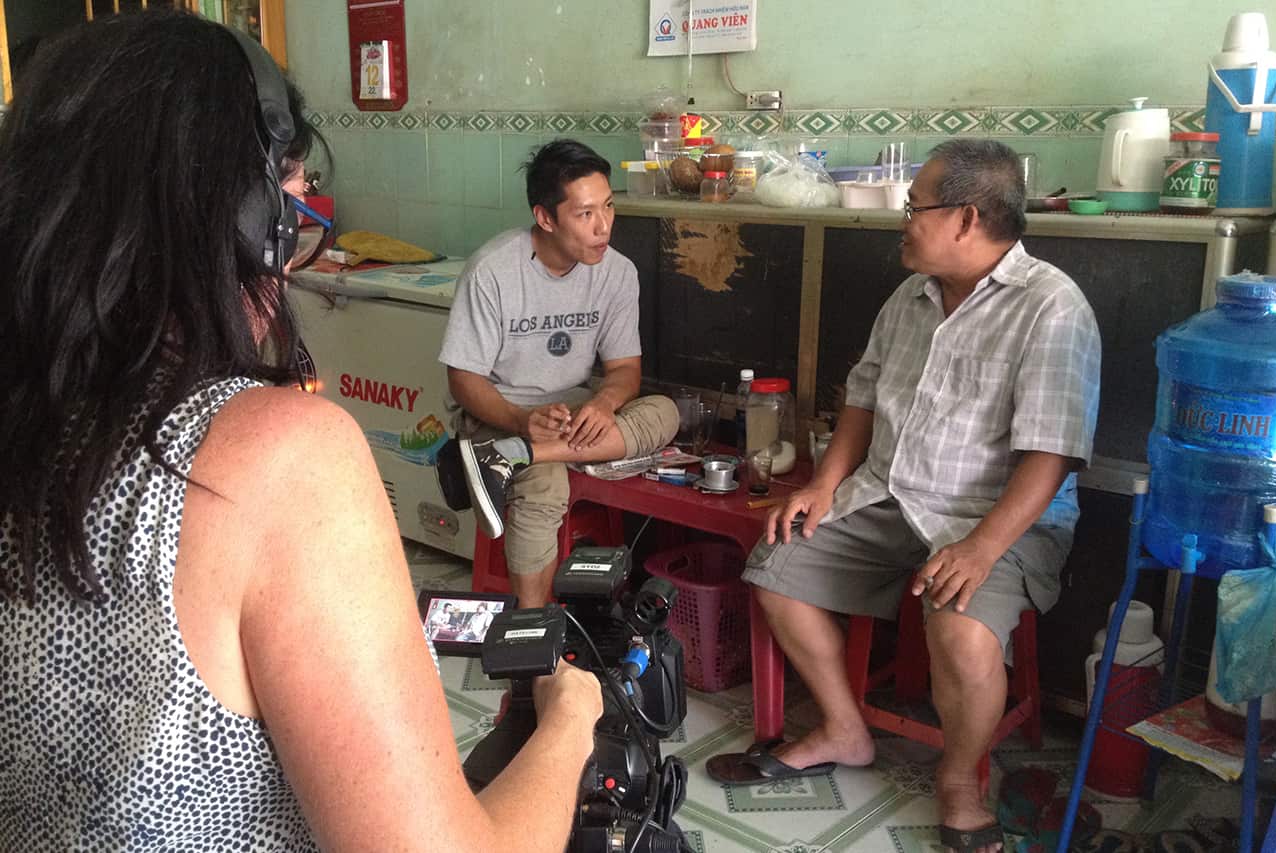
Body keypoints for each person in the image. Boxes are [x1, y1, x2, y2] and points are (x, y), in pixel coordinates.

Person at [0, 12, 601, 852]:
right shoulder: (274, 456)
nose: (297, 225)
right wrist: (568, 727)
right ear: (244, 216)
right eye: (288, 188)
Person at [706, 140, 1101, 853]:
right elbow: (861, 396)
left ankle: (959, 781)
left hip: (998, 516)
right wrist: (823, 485)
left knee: (959, 628)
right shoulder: (910, 295)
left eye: (916, 205)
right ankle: (843, 728)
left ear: (967, 218)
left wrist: (982, 548)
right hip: (892, 493)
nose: (904, 218)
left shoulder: (1052, 308)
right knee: (779, 566)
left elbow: (1050, 457)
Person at [435, 139, 678, 609]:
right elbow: (463, 380)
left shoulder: (618, 273)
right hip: (501, 413)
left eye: (608, 207)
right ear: (545, 218)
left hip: (577, 413)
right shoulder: (493, 270)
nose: (603, 227)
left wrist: (604, 405)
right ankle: (533, 631)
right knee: (545, 482)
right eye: (585, 214)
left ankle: (514, 456)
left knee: (666, 412)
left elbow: (625, 369)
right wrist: (520, 420)